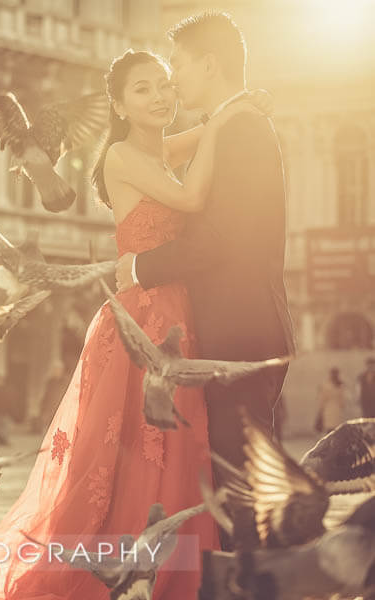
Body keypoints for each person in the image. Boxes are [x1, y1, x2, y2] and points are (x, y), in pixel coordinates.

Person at [0, 38, 280, 597]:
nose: (160, 96)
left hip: (174, 313)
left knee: (169, 446)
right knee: (129, 447)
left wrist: (238, 109)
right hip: (146, 316)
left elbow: (204, 133)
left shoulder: (159, 151)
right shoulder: (123, 155)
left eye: (166, 85)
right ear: (118, 107)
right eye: (142, 89)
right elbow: (194, 199)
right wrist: (227, 122)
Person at [115, 11, 294, 551]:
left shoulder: (239, 128)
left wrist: (141, 268)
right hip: (239, 331)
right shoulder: (233, 123)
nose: (174, 79)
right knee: (237, 483)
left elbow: (221, 236)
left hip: (238, 335)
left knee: (242, 490)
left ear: (210, 64)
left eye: (178, 65)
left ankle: (253, 586)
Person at [316, 368, 346, 434]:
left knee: (330, 430)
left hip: (328, 409)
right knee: (336, 429)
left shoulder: (326, 385)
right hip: (336, 410)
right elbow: (343, 400)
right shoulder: (341, 385)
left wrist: (320, 409)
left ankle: (330, 443)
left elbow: (322, 399)